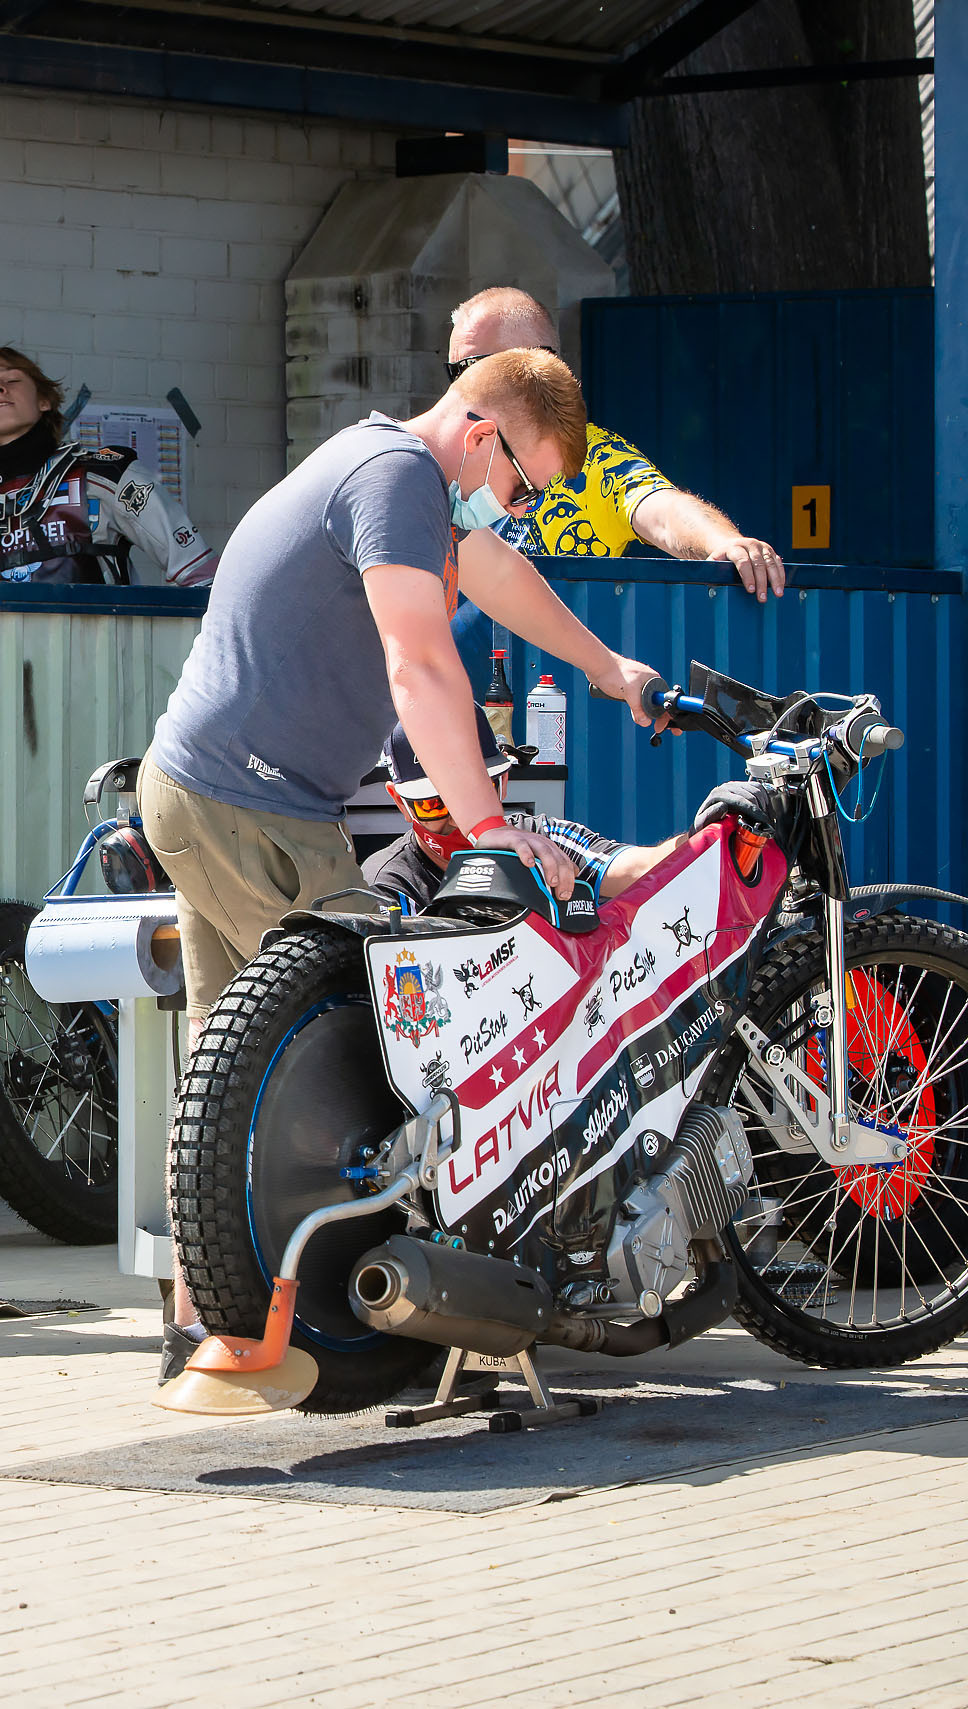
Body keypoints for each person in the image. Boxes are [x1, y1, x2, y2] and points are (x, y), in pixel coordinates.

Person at [139, 347, 664, 1376]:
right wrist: (488, 828)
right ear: (480, 436)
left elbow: (495, 572)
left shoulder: (406, 479)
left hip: (215, 794)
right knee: (389, 1044)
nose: (514, 509)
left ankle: (203, 1328)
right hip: (256, 810)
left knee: (225, 1069)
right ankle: (397, 1321)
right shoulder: (396, 481)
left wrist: (605, 669)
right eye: (520, 485)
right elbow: (419, 662)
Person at [448, 287, 786, 598]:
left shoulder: (592, 457)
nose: (460, 389)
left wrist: (724, 542)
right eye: (454, 372)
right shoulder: (440, 455)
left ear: (539, 364)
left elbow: (661, 509)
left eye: (474, 368)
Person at [362, 717, 681, 913]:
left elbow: (642, 868)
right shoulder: (387, 886)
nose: (459, 819)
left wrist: (708, 832)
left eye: (476, 791)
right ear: (401, 804)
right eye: (434, 804)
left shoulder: (543, 840)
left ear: (503, 781)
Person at [0, 346, 214, 587]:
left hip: (103, 631)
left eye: (12, 380)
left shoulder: (104, 475)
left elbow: (201, 575)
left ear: (43, 401)